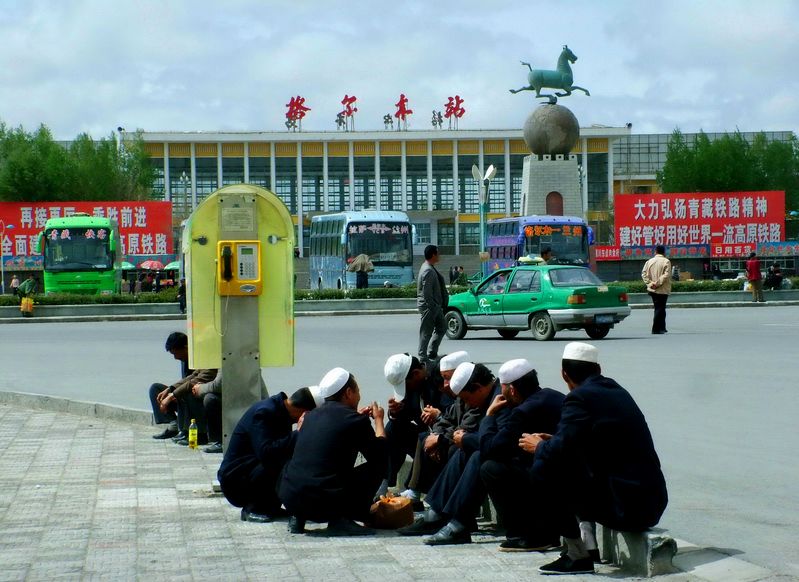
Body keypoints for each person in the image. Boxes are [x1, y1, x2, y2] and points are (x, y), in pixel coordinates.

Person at [520, 342, 668, 575]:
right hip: (650, 499)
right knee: (564, 461)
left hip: (627, 507)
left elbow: (560, 451)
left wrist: (539, 446)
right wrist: (552, 441)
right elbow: (588, 440)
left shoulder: (579, 397)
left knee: (543, 467)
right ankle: (588, 544)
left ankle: (577, 555)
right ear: (598, 369)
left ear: (564, 374)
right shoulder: (615, 390)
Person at [397, 361, 500, 542]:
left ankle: (457, 521)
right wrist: (438, 436)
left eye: (466, 398)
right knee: (455, 449)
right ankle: (439, 513)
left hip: (507, 456)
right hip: (485, 446)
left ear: (478, 388)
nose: (465, 402)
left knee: (469, 453)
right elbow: (447, 419)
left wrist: (444, 439)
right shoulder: (471, 396)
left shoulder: (496, 399)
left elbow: (473, 431)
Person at [279, 367, 387, 536]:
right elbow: (380, 453)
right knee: (379, 464)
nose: (359, 396)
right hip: (324, 503)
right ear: (348, 393)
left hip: (290, 498)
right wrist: (379, 420)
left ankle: (298, 518)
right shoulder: (354, 421)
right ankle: (342, 519)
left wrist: (358, 418)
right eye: (357, 391)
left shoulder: (310, 416)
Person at [479, 359, 566, 552]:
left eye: (503, 390)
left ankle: (526, 534)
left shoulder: (523, 412)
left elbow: (489, 449)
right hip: (566, 467)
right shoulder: (554, 395)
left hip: (550, 477)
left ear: (512, 391)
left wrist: (489, 415)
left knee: (490, 468)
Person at [218, 386, 319, 522]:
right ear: (304, 413)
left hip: (251, 471)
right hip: (236, 481)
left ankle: (269, 506)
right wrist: (298, 434)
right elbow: (266, 453)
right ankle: (252, 508)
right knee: (278, 460)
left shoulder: (282, 411)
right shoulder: (265, 413)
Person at [379, 351, 463, 503]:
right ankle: (385, 483)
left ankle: (414, 491)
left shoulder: (440, 381)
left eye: (406, 384)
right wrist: (395, 412)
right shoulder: (413, 387)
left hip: (445, 438)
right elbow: (406, 418)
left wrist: (438, 416)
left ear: (417, 374)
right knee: (393, 427)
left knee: (425, 438)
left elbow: (458, 415)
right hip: (428, 439)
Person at [416, 244, 448, 362]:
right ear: (433, 255)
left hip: (435, 306)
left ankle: (432, 352)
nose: (439, 255)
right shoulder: (428, 270)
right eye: (438, 253)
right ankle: (423, 357)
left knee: (442, 327)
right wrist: (433, 307)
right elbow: (426, 292)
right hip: (429, 307)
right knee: (426, 332)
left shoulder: (430, 267)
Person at [641, 245, 672, 334]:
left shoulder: (649, 261)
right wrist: (657, 283)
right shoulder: (666, 261)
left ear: (655, 252)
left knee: (660, 308)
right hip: (662, 289)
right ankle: (655, 329)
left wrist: (650, 284)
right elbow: (667, 275)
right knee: (660, 308)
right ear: (664, 252)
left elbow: (643, 274)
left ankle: (662, 327)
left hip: (652, 289)